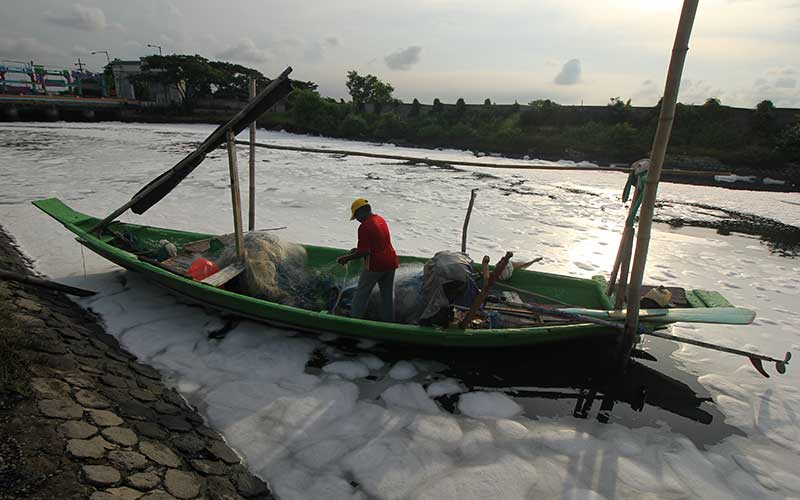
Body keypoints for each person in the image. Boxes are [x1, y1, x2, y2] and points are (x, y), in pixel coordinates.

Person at [337, 198, 398, 321]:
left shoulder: (364, 226)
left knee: (361, 293)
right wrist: (357, 250)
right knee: (387, 296)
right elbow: (377, 242)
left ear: (361, 212)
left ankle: (355, 321)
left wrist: (346, 258)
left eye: (356, 216)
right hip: (391, 262)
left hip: (376, 265)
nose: (357, 220)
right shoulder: (380, 220)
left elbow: (365, 252)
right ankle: (389, 322)